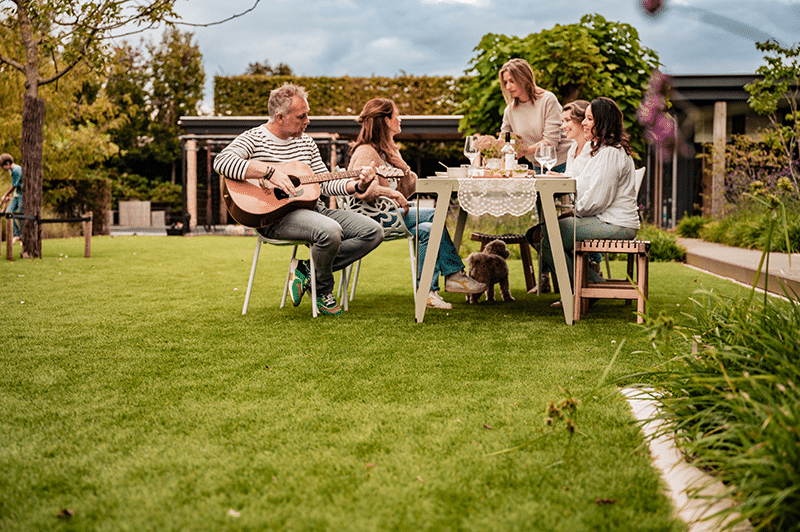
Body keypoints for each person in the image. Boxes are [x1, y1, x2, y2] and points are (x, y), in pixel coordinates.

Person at [213, 83, 384, 316]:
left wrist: (358, 185)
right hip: (274, 217)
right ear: (280, 117)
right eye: (301, 116)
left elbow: (325, 183)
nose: (307, 121)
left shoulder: (307, 142)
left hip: (315, 209)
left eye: (307, 114)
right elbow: (222, 162)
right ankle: (323, 290)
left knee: (373, 231)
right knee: (330, 230)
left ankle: (307, 269)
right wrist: (269, 172)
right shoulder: (254, 138)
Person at [347, 98, 486, 310]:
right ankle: (454, 275)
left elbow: (410, 189)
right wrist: (392, 193)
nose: (400, 119)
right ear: (386, 120)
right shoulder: (366, 151)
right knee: (435, 214)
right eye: (396, 115)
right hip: (373, 218)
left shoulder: (389, 152)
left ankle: (429, 293)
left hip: (392, 215)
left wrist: (403, 167)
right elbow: (364, 190)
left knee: (428, 229)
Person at [535, 96, 640, 298]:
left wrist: (575, 212)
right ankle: (590, 286)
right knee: (547, 232)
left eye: (589, 119)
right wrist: (565, 180)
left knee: (548, 235)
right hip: (606, 220)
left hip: (616, 224)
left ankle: (586, 289)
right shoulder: (601, 151)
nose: (583, 122)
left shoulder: (610, 153)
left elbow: (596, 202)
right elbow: (586, 183)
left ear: (603, 122)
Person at [498, 58, 573, 173]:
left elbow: (551, 141)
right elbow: (504, 139)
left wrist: (523, 151)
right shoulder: (510, 110)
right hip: (538, 167)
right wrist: (492, 153)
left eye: (512, 81)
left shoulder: (547, 100)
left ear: (524, 79)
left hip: (564, 164)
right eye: (505, 82)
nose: (508, 87)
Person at [1, 153, 22, 244]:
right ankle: (16, 234)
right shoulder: (11, 170)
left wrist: (5, 194)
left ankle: (23, 237)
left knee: (21, 216)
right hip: (16, 194)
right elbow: (14, 184)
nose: (2, 169)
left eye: (3, 166)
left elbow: (14, 185)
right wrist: (9, 195)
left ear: (8, 163)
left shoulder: (17, 170)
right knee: (8, 213)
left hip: (22, 195)